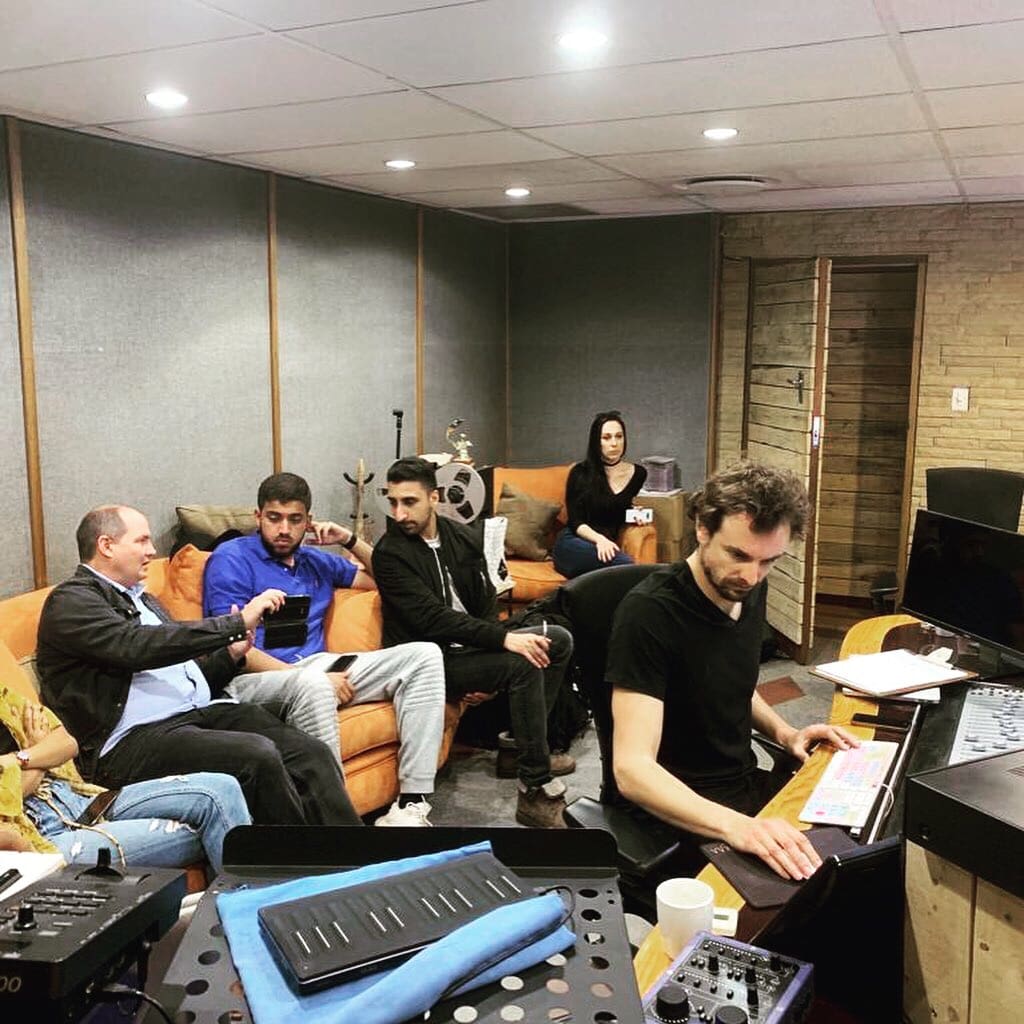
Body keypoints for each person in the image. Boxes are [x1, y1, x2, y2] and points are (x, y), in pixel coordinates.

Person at [607, 462, 859, 882]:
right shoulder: (648, 614)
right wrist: (737, 827)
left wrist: (785, 733)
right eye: (738, 555)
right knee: (809, 894)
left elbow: (728, 684)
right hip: (677, 811)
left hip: (740, 789)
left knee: (854, 851)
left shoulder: (746, 588)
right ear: (703, 529)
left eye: (768, 561)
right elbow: (632, 771)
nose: (751, 576)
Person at [36, 505, 362, 830]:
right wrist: (234, 624)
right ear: (106, 546)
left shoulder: (144, 601)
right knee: (256, 755)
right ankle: (294, 859)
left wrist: (231, 654)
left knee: (309, 752)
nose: (152, 551)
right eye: (142, 541)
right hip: (127, 744)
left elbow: (189, 678)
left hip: (193, 714)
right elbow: (135, 646)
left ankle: (358, 856)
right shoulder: (72, 601)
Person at [202, 472, 446, 827]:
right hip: (251, 678)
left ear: (308, 521)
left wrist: (349, 540)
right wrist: (309, 678)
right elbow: (233, 646)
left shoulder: (314, 559)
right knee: (314, 684)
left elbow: (392, 581)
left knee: (424, 656)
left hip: (318, 665)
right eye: (274, 518)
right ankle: (337, 824)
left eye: (294, 520)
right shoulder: (231, 558)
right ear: (258, 517)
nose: (284, 529)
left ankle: (412, 803)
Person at [372, 457, 575, 829]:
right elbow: (431, 619)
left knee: (557, 640)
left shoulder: (461, 536)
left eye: (409, 502)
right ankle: (534, 786)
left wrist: (494, 646)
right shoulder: (389, 554)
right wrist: (503, 641)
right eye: (393, 502)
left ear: (434, 497)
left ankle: (516, 746)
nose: (399, 514)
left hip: (468, 647)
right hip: (429, 660)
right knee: (523, 661)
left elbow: (484, 600)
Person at [0, 688, 249, 873]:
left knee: (222, 790)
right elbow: (8, 797)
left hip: (79, 797)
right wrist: (39, 753)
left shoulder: (4, 696)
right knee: (220, 827)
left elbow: (67, 743)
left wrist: (20, 759)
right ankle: (242, 917)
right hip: (40, 833)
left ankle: (240, 910)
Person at [552, 411, 647, 579]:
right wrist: (599, 540)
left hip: (604, 548)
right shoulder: (580, 473)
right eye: (606, 438)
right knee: (625, 566)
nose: (614, 443)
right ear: (596, 442)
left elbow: (614, 507)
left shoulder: (638, 474)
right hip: (573, 542)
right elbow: (575, 521)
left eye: (619, 436)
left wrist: (634, 513)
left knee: (612, 572)